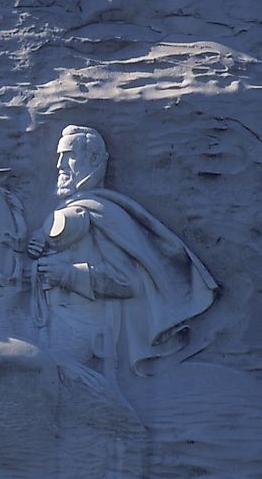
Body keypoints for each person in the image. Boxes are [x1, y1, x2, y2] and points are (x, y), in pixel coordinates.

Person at [28, 125, 220, 383]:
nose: (60, 164)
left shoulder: (103, 212)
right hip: (49, 322)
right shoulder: (69, 211)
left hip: (85, 332)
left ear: (93, 160)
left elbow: (127, 282)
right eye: (59, 156)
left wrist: (68, 274)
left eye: (69, 155)